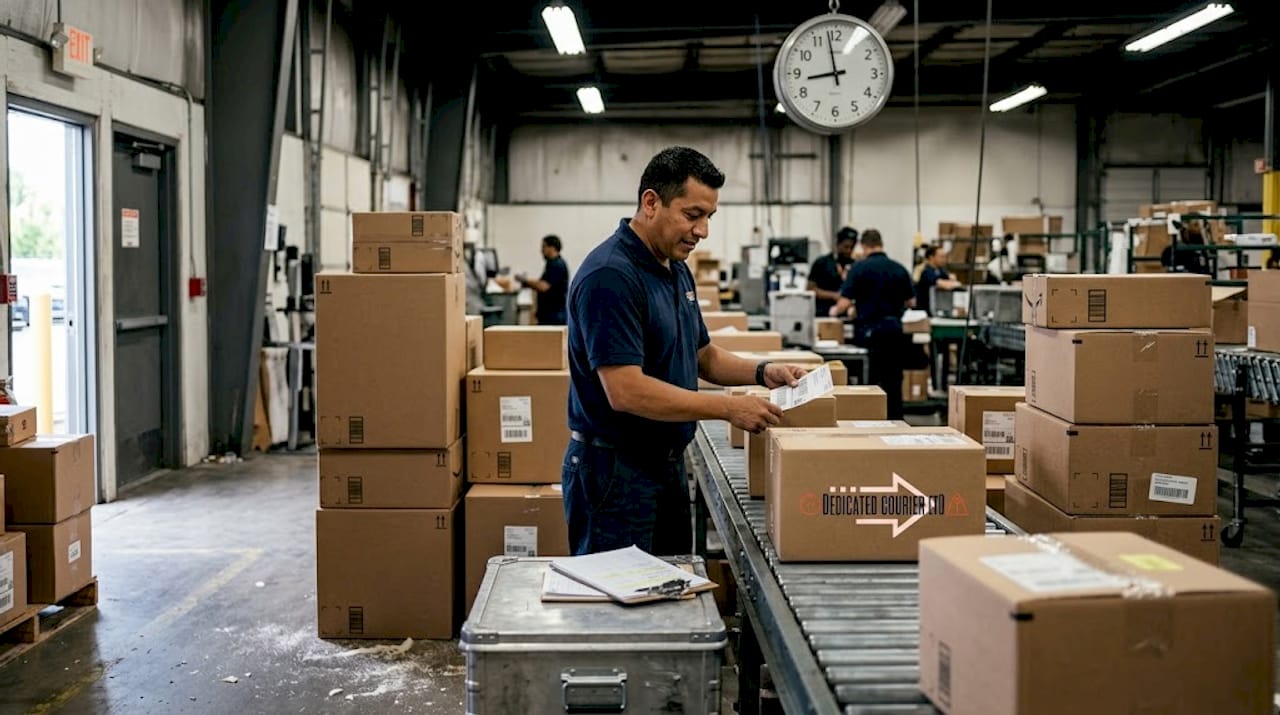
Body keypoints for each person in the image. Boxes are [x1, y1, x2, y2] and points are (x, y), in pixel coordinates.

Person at [563, 146, 809, 557]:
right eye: (692, 215)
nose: (702, 231)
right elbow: (625, 391)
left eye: (709, 217)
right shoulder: (611, 276)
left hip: (666, 466)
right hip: (615, 475)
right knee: (620, 608)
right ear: (650, 202)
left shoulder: (674, 268)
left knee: (670, 599)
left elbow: (703, 355)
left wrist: (764, 371)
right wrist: (729, 409)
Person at [829, 229, 915, 420]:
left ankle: (871, 420)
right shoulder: (899, 268)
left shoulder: (859, 269)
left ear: (864, 246)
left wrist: (832, 313)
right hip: (894, 333)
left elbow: (843, 303)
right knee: (893, 382)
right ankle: (895, 423)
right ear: (881, 243)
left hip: (870, 334)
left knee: (871, 382)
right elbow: (911, 302)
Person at [517, 234, 571, 325]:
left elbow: (543, 286)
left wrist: (524, 281)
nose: (542, 250)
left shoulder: (556, 265)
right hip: (550, 315)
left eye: (544, 247)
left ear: (552, 248)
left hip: (553, 316)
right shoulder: (552, 264)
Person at [807, 227, 857, 317]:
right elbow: (810, 289)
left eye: (852, 248)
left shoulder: (855, 265)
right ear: (838, 245)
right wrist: (833, 296)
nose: (848, 251)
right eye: (846, 247)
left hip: (847, 313)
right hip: (824, 312)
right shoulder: (822, 263)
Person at [915, 245, 963, 315]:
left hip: (938, 310)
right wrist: (951, 283)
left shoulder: (940, 271)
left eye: (945, 256)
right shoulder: (926, 272)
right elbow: (946, 285)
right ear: (931, 257)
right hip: (925, 312)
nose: (944, 259)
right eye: (941, 257)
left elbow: (952, 281)